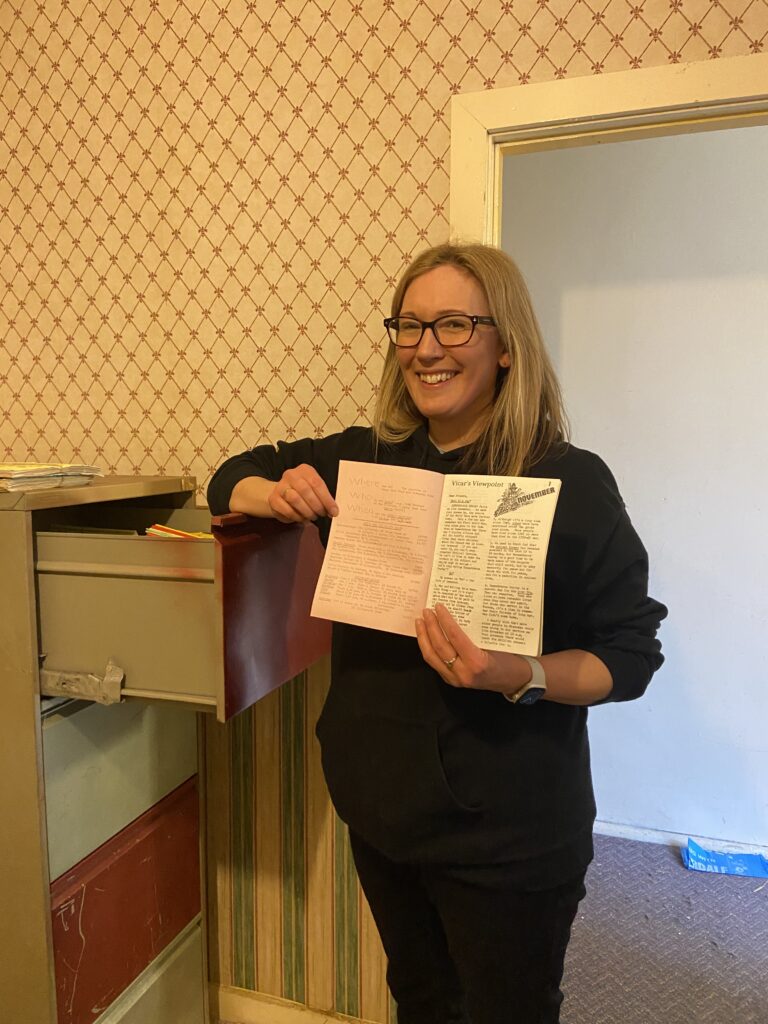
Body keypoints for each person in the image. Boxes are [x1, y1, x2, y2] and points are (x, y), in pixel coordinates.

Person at [207, 243, 667, 1024]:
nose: (426, 348)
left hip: (512, 839)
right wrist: (274, 492)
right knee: (421, 1000)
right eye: (410, 326)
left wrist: (516, 673)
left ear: (506, 344)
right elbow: (229, 473)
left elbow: (630, 655)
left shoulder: (571, 478)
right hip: (381, 813)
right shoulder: (363, 458)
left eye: (455, 325)